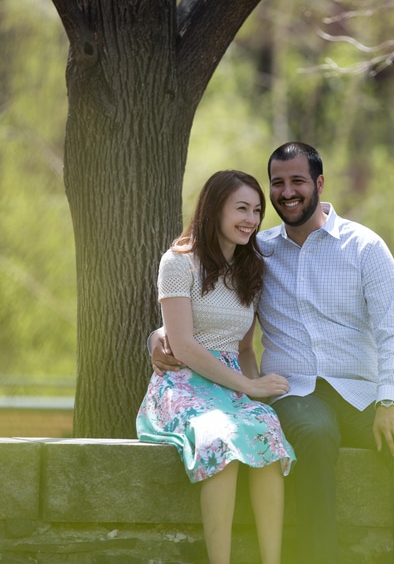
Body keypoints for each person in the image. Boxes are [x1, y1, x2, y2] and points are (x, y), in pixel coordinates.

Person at [152, 143, 394, 564]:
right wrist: (159, 334)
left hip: (360, 390)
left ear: (319, 184)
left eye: (298, 181)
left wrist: (389, 401)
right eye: (278, 183)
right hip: (296, 391)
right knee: (315, 437)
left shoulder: (365, 247)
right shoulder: (259, 252)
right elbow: (212, 308)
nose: (287, 192)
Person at [136, 169, 296, 564]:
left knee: (267, 432)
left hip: (231, 383)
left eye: (257, 211)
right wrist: (251, 386)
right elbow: (185, 346)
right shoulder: (179, 263)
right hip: (182, 383)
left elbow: (244, 347)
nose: (251, 220)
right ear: (214, 210)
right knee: (219, 437)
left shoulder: (250, 269)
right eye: (241, 208)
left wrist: (253, 390)